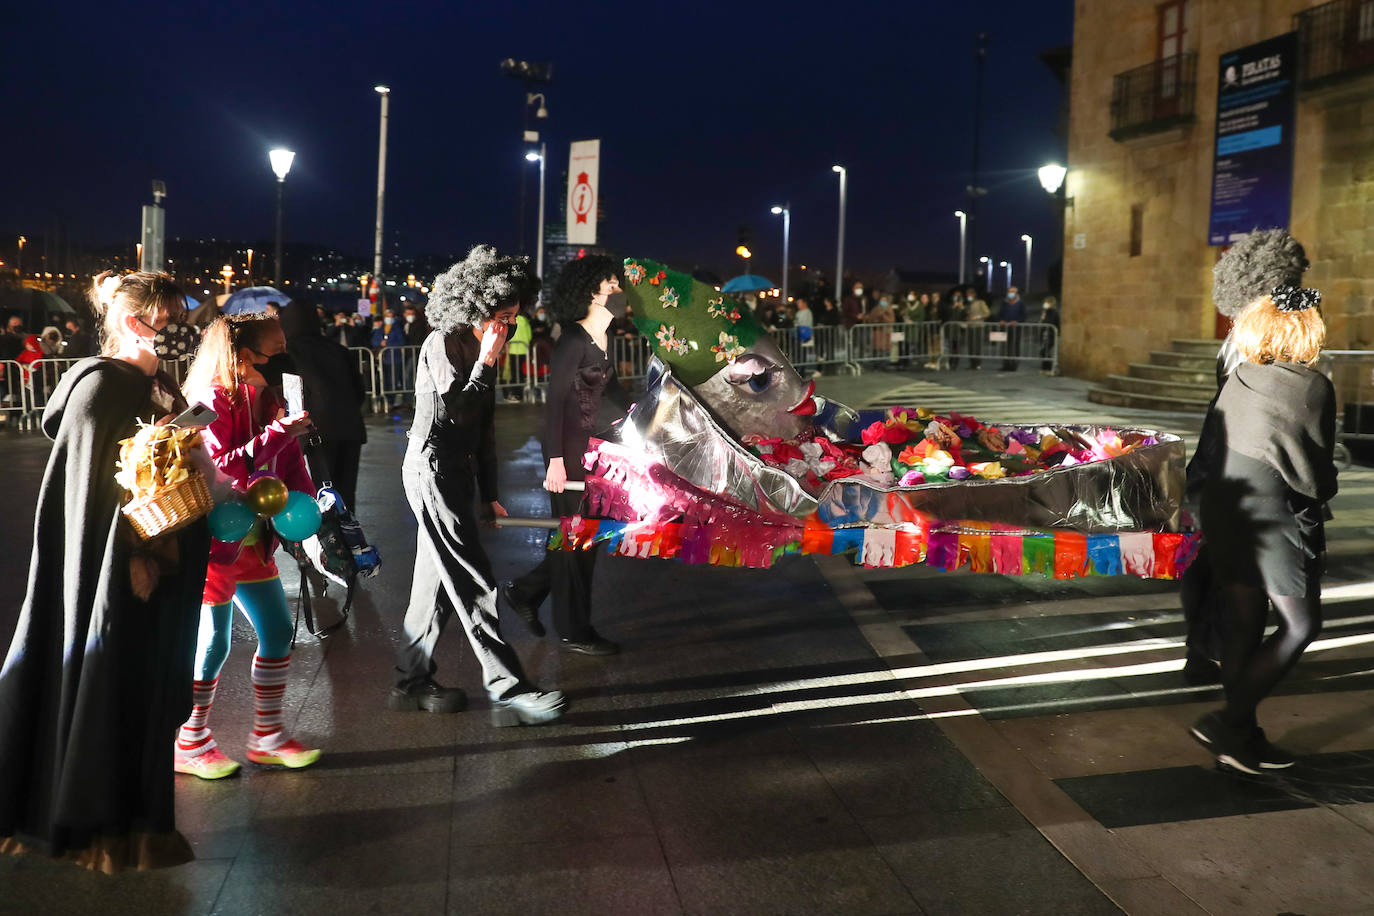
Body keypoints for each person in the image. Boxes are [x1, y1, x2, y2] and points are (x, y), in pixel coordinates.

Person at [0, 271, 210, 871]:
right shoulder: (102, 387)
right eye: (164, 321)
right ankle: (98, 826)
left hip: (155, 561)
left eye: (176, 320)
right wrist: (137, 546)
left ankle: (133, 820)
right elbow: (88, 500)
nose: (173, 332)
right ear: (130, 320)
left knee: (142, 690)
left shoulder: (152, 382)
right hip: (118, 573)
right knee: (109, 682)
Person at [389, 245, 565, 725]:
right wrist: (486, 363)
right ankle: (508, 687)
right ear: (475, 305)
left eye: (512, 318)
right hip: (430, 469)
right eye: (502, 316)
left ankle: (411, 681)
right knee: (472, 579)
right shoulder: (442, 344)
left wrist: (489, 493)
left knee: (434, 586)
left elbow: (484, 427)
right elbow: (453, 419)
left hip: (455, 471)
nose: (506, 327)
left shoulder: (487, 340)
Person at [1189, 286, 1335, 775]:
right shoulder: (1312, 386)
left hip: (1225, 505)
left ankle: (1244, 737)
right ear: (1306, 331)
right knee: (1301, 624)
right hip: (1270, 509)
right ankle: (1227, 723)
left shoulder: (1239, 376)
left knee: (1245, 622)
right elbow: (1314, 470)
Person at [173, 313, 321, 780]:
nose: (282, 361)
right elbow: (222, 470)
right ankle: (189, 740)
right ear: (241, 356)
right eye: (272, 353)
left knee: (277, 631)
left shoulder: (269, 396)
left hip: (255, 536)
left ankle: (268, 736)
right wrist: (279, 433)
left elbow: (291, 460)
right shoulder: (210, 398)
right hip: (215, 538)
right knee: (211, 644)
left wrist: (308, 510)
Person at [1181, 228, 1310, 686]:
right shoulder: (1258, 337)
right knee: (1229, 573)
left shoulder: (1242, 330)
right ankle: (1220, 666)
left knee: (1214, 562)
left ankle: (1202, 652)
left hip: (1220, 456)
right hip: (1242, 463)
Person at [503, 254, 633, 656]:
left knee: (580, 536)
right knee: (579, 540)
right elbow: (555, 403)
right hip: (572, 455)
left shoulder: (603, 337)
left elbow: (607, 391)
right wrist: (555, 461)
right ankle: (574, 630)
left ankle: (525, 592)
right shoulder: (573, 339)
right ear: (591, 291)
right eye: (611, 284)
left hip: (599, 452)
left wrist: (637, 415)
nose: (618, 290)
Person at [280, 299, 369, 510]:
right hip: (349, 430)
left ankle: (328, 541)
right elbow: (359, 391)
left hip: (313, 433)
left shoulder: (289, 352)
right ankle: (349, 539)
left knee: (318, 496)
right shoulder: (338, 349)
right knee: (345, 495)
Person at [371, 308, 407, 408]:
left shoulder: (397, 328)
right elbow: (374, 341)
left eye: (391, 316)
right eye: (387, 316)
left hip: (395, 358)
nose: (389, 318)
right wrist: (380, 343)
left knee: (393, 380)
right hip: (384, 359)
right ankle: (385, 400)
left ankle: (391, 401)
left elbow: (402, 342)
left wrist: (388, 344)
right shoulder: (381, 329)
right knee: (385, 380)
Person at [999, 286, 1027, 371]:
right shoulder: (1004, 303)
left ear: (1016, 293)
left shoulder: (1020, 303)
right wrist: (1001, 320)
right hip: (1005, 328)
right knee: (1005, 347)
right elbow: (999, 313)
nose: (1010, 294)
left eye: (1012, 292)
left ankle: (1014, 364)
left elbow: (1024, 315)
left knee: (1015, 346)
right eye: (1009, 292)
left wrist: (1017, 321)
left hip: (1016, 328)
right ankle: (1006, 364)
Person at [1038, 295, 1060, 372]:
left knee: (1045, 351)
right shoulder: (1045, 312)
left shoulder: (1054, 312)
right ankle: (1045, 367)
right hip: (1044, 334)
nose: (1045, 304)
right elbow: (1042, 321)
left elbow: (1052, 322)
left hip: (1050, 335)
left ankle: (1048, 367)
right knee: (1044, 351)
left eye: (1047, 302)